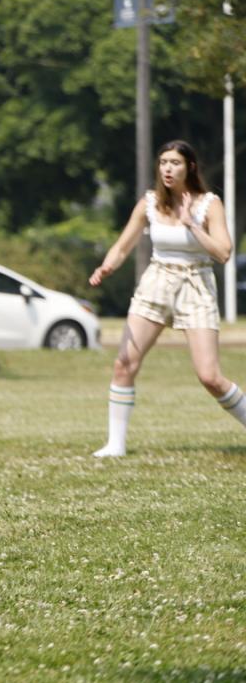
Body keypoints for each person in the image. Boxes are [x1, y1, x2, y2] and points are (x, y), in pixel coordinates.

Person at [89, 139, 241, 457]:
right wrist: (106, 267)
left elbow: (224, 253)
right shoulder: (149, 203)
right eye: (163, 162)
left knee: (210, 377)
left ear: (190, 167)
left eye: (175, 163)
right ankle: (115, 445)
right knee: (124, 364)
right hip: (157, 282)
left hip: (196, 284)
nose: (168, 169)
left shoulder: (209, 204)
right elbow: (122, 246)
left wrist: (191, 225)